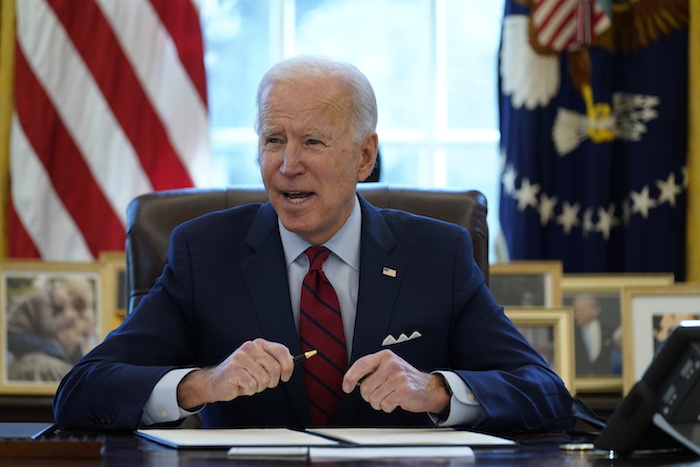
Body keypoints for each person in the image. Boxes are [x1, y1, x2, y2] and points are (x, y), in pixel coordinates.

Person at [53, 55, 574, 434]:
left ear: (364, 157)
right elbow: (83, 391)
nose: (287, 165)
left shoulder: (437, 254)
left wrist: (437, 390)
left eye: (313, 142)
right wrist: (202, 385)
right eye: (273, 139)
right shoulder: (203, 252)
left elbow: (547, 392)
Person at [8, 276, 97, 381]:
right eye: (80, 334)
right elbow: (47, 328)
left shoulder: (54, 304)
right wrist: (67, 316)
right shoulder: (42, 300)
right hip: (15, 334)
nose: (68, 300)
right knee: (52, 346)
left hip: (23, 336)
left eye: (73, 303)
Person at [572, 294, 620, 376]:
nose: (577, 315)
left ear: (595, 310)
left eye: (581, 311)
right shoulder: (570, 332)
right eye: (575, 311)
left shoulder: (610, 331)